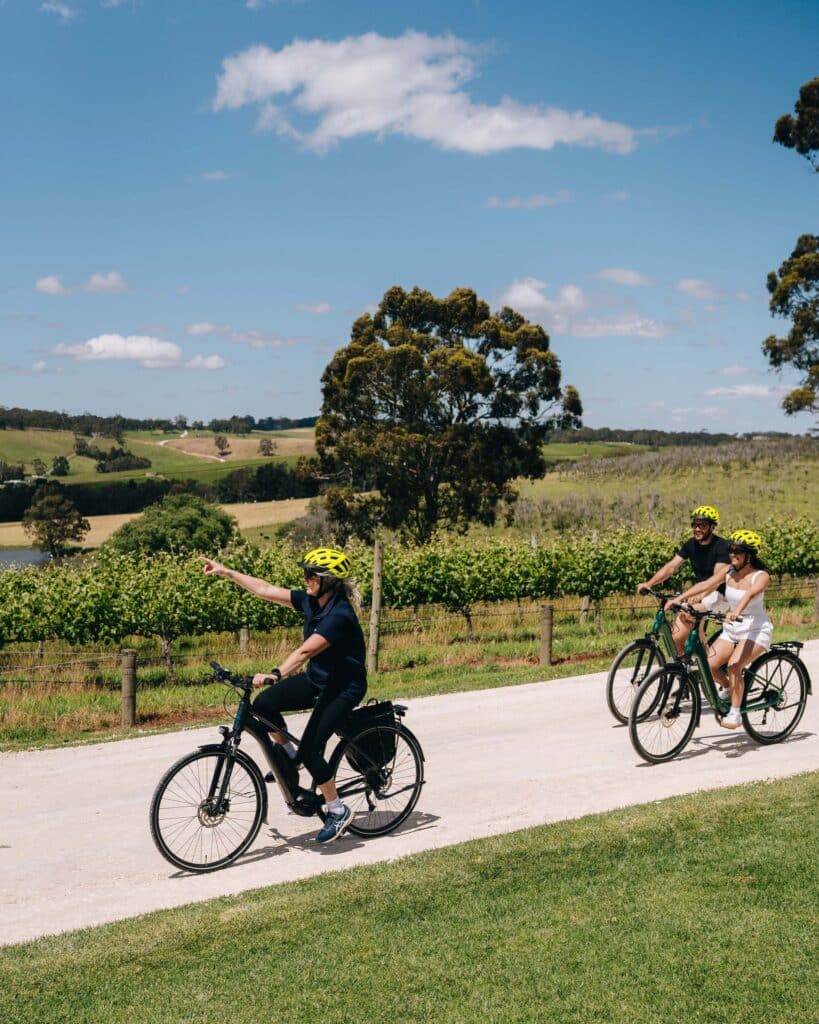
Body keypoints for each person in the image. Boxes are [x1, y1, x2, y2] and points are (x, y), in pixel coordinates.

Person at [201, 546, 367, 843]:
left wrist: (276, 673)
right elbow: (265, 589)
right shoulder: (311, 601)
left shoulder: (339, 614)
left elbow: (304, 652)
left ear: (328, 580)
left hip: (344, 687)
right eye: (305, 573)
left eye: (311, 575)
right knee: (264, 705)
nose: (305, 579)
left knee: (312, 751)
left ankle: (337, 810)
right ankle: (290, 756)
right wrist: (226, 572)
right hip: (318, 680)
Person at [677, 529, 772, 730]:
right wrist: (679, 599)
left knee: (734, 666)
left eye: (738, 551)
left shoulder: (760, 576)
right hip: (733, 629)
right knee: (709, 666)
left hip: (755, 629)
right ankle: (730, 688)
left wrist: (735, 612)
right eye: (731, 550)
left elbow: (749, 595)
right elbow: (707, 584)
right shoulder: (729, 571)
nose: (732, 555)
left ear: (749, 555)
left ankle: (735, 713)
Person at [637, 505, 731, 654]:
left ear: (712, 527)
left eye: (702, 525)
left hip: (720, 594)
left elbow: (716, 579)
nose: (697, 529)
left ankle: (707, 659)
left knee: (689, 613)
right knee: (676, 639)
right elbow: (671, 567)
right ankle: (683, 667)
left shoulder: (722, 546)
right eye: (695, 525)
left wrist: (700, 595)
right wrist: (649, 584)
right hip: (699, 591)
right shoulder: (690, 544)